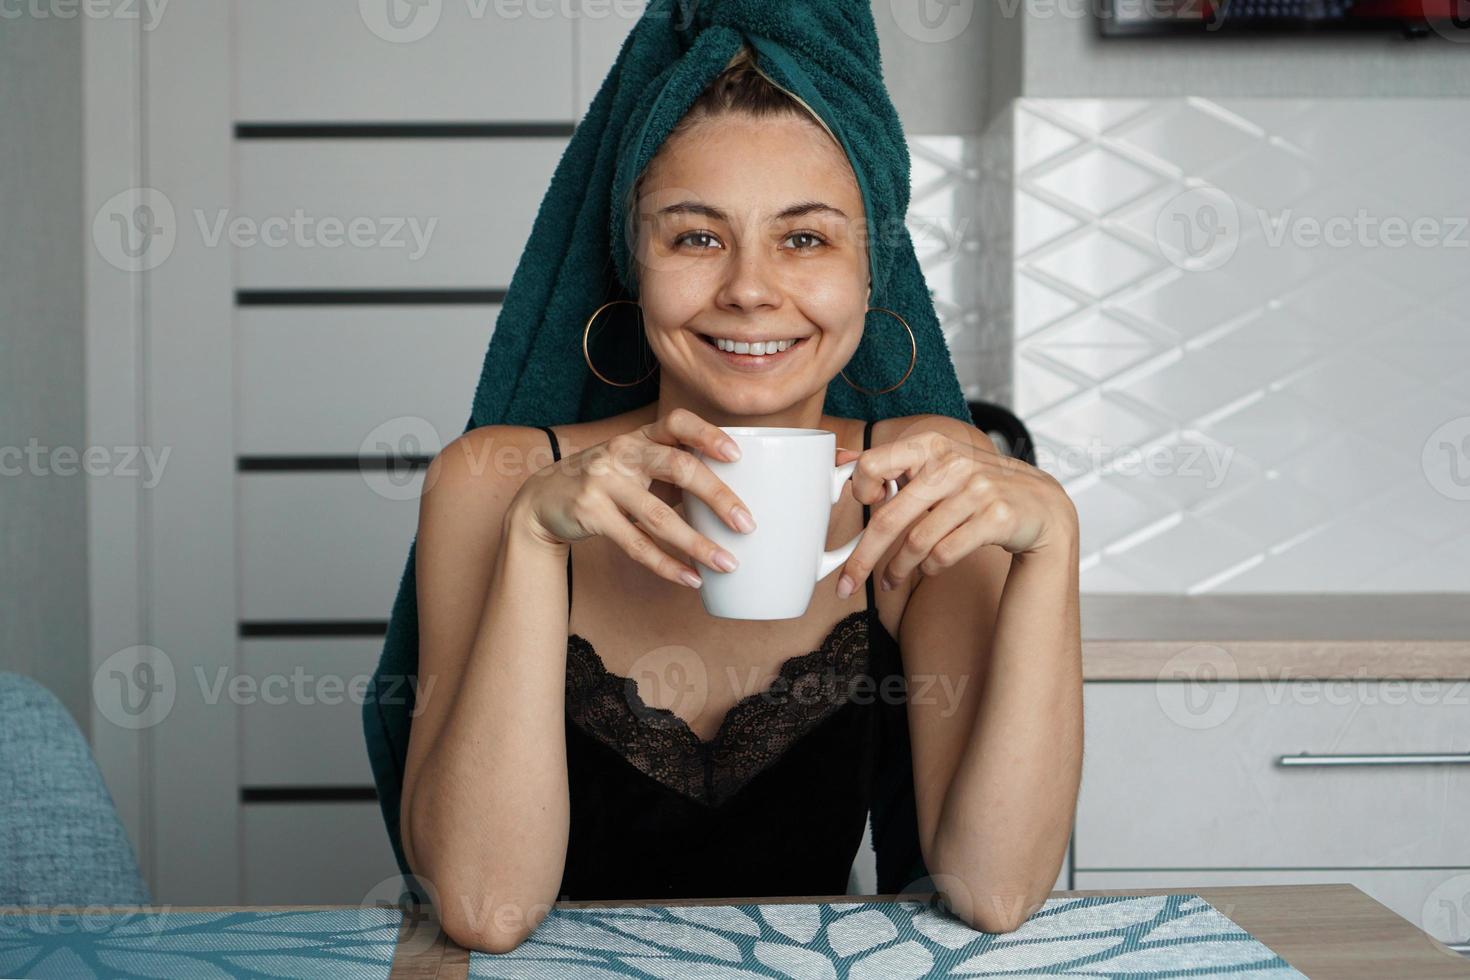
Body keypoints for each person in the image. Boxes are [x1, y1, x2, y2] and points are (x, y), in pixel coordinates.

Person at [393, 41, 1081, 957]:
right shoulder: (488, 481)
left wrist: (1053, 548)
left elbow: (992, 889)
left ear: (870, 272)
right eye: (696, 236)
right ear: (633, 268)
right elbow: (484, 910)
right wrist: (530, 539)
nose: (751, 289)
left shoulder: (925, 478)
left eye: (805, 238)